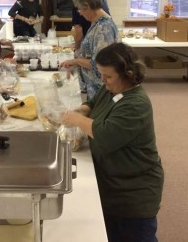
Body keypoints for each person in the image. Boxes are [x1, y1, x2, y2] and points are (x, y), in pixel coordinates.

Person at [61, 42, 164, 242]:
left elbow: (105, 136)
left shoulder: (135, 104)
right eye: (101, 74)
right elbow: (93, 102)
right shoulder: (113, 89)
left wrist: (78, 120)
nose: (103, 80)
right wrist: (83, 109)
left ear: (128, 74)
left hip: (134, 191)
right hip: (113, 181)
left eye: (107, 76)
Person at [60, 0, 120, 100]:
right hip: (94, 88)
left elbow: (99, 65)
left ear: (87, 6)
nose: (80, 13)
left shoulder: (104, 29)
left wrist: (76, 61)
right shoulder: (96, 23)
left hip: (101, 91)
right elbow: (90, 53)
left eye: (80, 10)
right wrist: (76, 64)